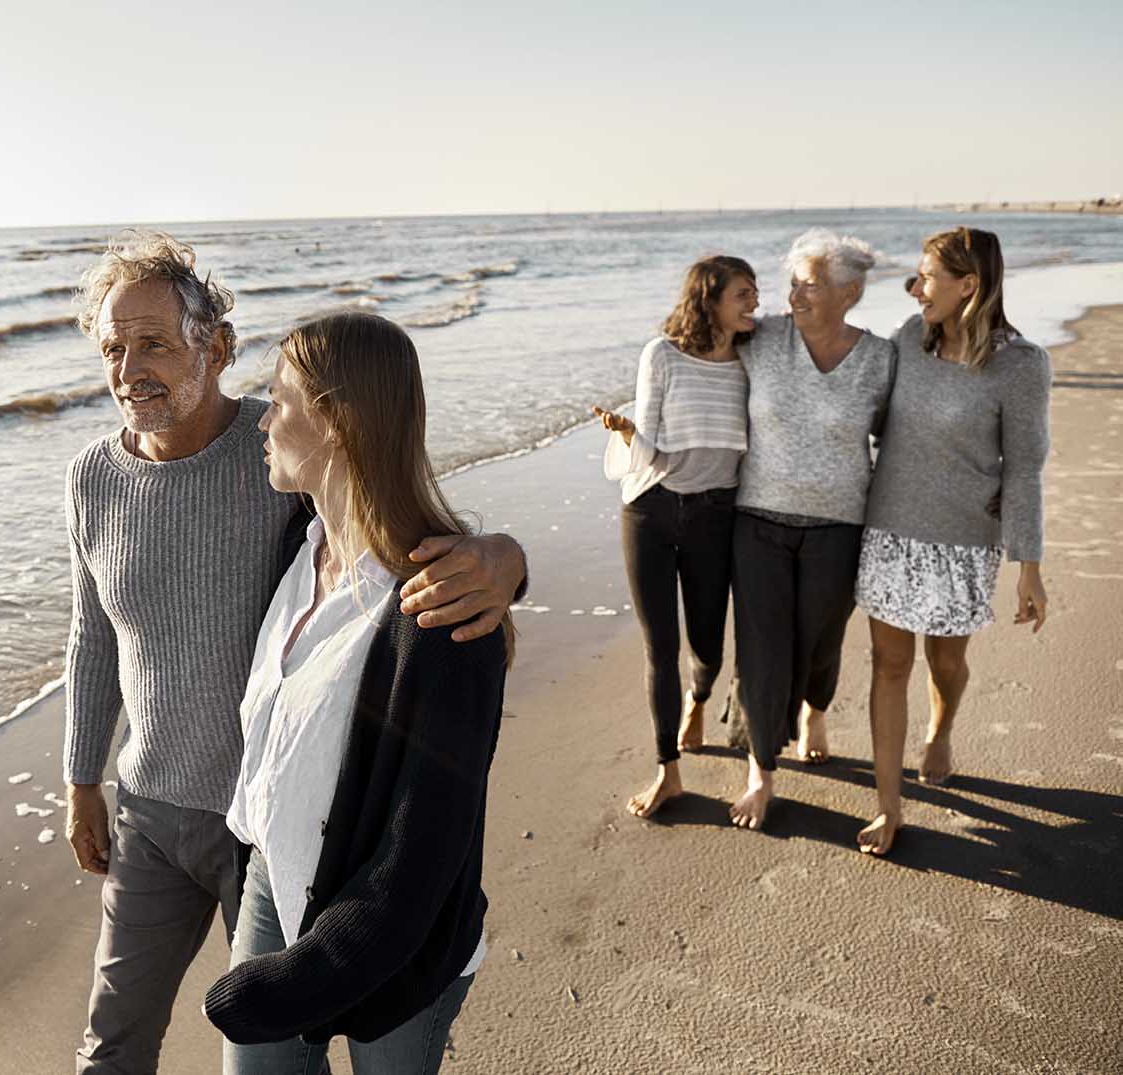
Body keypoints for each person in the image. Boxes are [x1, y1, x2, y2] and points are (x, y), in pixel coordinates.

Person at [61, 230, 528, 1074]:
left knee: (319, 1032)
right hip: (168, 812)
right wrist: (79, 776)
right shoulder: (98, 478)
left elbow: (398, 514)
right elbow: (91, 631)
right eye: (112, 347)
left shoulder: (271, 455)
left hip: (284, 836)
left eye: (154, 342)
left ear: (217, 347)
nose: (130, 367)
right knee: (115, 1042)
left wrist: (503, 558)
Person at [204, 310, 511, 1074]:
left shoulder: (435, 614)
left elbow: (418, 858)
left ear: (337, 422)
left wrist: (283, 984)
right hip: (277, 885)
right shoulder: (294, 546)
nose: (262, 420)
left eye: (278, 400)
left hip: (397, 942)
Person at [854, 227, 1051, 855]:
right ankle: (889, 807)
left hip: (963, 540)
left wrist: (1029, 565)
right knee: (889, 665)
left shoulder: (1020, 365)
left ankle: (940, 731)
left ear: (969, 285)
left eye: (928, 277)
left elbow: (1023, 466)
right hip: (888, 530)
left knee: (944, 661)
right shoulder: (906, 342)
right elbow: (866, 415)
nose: (916, 289)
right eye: (914, 276)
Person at [728, 228, 896, 830]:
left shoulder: (881, 358)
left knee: (820, 638)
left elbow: (905, 437)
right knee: (764, 644)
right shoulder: (763, 338)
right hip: (757, 519)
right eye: (792, 282)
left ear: (849, 292)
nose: (795, 294)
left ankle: (815, 710)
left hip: (840, 523)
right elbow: (694, 339)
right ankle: (760, 767)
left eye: (811, 284)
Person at [591, 256, 755, 817]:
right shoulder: (661, 355)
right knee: (660, 645)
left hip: (716, 514)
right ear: (710, 298)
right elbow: (652, 444)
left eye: (755, 291)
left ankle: (700, 698)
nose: (754, 301)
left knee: (708, 641)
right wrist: (628, 430)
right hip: (651, 511)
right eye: (743, 292)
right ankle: (668, 772)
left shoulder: (752, 359)